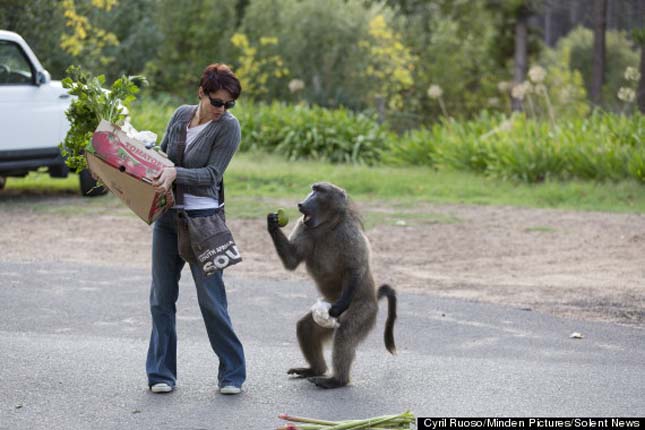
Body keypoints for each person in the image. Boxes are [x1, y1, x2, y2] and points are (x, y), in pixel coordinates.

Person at [146, 63, 245, 395]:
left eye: (229, 104)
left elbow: (211, 177)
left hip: (204, 225)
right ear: (201, 93)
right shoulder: (180, 115)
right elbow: (162, 156)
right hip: (167, 220)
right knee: (161, 298)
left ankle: (232, 374)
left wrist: (175, 174)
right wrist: (145, 156)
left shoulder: (229, 128)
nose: (222, 110)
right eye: (217, 102)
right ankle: (161, 373)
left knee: (211, 302)